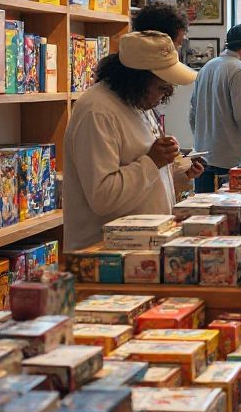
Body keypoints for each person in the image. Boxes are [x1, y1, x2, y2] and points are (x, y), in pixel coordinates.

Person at [63, 31, 204, 251]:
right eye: (161, 87)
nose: (164, 95)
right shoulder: (97, 111)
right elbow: (103, 197)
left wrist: (177, 175)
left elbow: (142, 178)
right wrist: (153, 161)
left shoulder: (136, 103)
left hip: (139, 248)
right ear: (136, 79)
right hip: (105, 254)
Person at [189, 23, 241, 191]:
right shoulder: (239, 70)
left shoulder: (207, 67)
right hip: (228, 161)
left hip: (202, 158)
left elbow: (193, 113)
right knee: (228, 214)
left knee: (205, 213)